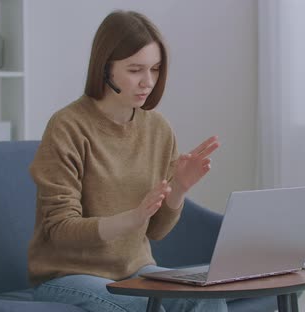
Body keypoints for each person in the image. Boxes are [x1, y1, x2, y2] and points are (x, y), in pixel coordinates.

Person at [27, 10, 226, 312]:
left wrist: (179, 188)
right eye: (135, 70)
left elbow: (155, 231)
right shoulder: (68, 126)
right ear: (105, 69)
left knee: (207, 299)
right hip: (68, 276)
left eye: (156, 69)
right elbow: (60, 230)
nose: (148, 81)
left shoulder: (158, 129)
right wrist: (132, 218)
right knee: (147, 306)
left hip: (135, 270)